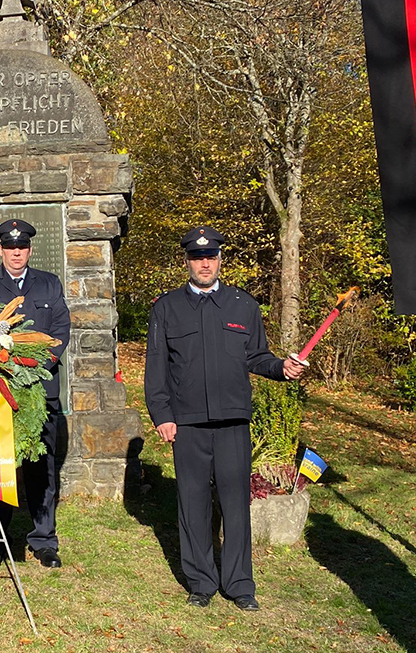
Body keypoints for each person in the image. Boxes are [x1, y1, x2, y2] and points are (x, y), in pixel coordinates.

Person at [143, 226, 305, 611]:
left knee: (236, 506)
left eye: (211, 257)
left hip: (233, 422)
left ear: (219, 260)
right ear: (186, 261)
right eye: (198, 258)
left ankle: (240, 584)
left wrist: (282, 367)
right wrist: (162, 415)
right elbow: (156, 368)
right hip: (189, 424)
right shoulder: (166, 308)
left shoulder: (242, 305)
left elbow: (256, 356)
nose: (205, 263)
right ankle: (201, 582)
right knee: (193, 504)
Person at [0, 219, 71, 569]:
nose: (17, 252)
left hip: (41, 389)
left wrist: (40, 362)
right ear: (0, 250)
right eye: (11, 247)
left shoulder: (49, 283)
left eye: (23, 247)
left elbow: (60, 328)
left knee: (42, 467)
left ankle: (44, 541)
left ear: (30, 249)